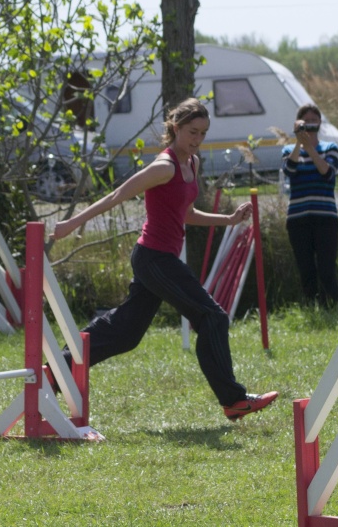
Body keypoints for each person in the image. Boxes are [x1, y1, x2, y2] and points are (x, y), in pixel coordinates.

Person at [50, 97, 278, 421]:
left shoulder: (192, 164)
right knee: (212, 317)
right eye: (192, 132)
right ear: (176, 128)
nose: (197, 140)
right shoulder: (164, 166)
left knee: (126, 333)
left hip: (158, 259)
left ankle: (56, 369)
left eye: (202, 133)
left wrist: (228, 220)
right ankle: (234, 400)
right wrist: (72, 223)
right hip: (153, 258)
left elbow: (186, 213)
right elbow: (117, 195)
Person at [281, 104, 338, 306]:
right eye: (306, 122)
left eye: (314, 121)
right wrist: (299, 143)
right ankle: (310, 305)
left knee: (326, 267)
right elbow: (289, 170)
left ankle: (332, 305)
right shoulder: (290, 150)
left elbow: (328, 173)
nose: (311, 125)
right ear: (298, 125)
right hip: (298, 219)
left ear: (320, 123)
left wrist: (310, 148)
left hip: (326, 217)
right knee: (306, 267)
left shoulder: (329, 148)